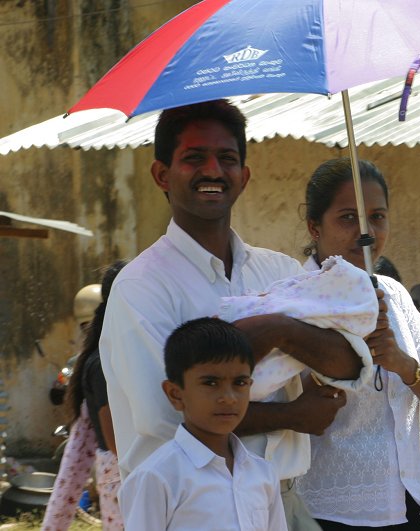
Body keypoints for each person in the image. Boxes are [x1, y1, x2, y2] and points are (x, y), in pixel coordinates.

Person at [99, 100, 361, 530]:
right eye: (194, 158)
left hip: (281, 501)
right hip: (191, 509)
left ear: (244, 176)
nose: (213, 171)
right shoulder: (141, 288)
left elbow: (346, 365)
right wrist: (295, 414)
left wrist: (274, 328)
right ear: (161, 174)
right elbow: (171, 415)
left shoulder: (278, 272)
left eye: (227, 158)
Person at [296, 157, 420, 530]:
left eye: (377, 216)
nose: (366, 231)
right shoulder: (293, 301)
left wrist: (404, 365)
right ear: (314, 227)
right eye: (347, 218)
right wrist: (342, 356)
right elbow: (283, 412)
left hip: (411, 506)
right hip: (331, 514)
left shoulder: (394, 296)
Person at [119, 317, 287, 530]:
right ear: (176, 394)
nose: (229, 398)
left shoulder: (263, 473)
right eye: (210, 383)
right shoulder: (157, 477)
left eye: (240, 383)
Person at [42, 262, 126, 531]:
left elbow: (76, 457)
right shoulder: (103, 363)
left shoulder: (100, 359)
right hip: (127, 481)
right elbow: (111, 444)